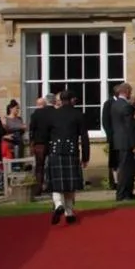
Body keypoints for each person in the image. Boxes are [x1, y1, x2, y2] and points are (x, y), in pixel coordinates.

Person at [45, 89, 90, 225]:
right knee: (70, 185)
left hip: (55, 151)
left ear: (60, 100)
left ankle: (58, 204)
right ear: (72, 100)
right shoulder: (78, 114)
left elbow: (46, 135)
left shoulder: (53, 115)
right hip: (71, 151)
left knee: (57, 184)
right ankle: (69, 212)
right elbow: (84, 137)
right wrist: (85, 156)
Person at [110, 83, 135, 201]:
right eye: (130, 91)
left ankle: (126, 192)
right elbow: (129, 126)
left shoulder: (115, 104)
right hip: (126, 141)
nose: (130, 94)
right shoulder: (125, 106)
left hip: (119, 140)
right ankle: (123, 194)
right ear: (126, 91)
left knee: (126, 168)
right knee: (126, 169)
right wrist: (134, 144)